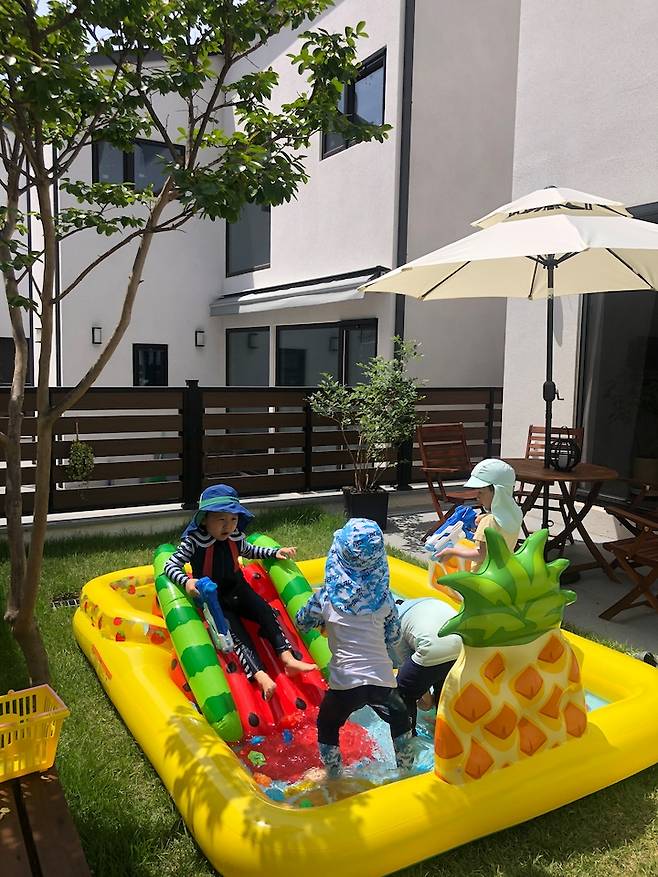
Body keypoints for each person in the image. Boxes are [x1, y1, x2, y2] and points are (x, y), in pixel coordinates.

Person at [164, 484, 316, 701]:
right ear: (205, 519)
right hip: (215, 598)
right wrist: (187, 581)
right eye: (221, 519)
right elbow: (170, 565)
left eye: (233, 519)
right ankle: (260, 675)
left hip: (239, 589)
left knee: (265, 611)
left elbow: (249, 550)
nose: (228, 525)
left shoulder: (235, 536)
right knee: (235, 633)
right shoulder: (194, 541)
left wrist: (274, 552)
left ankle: (288, 658)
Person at [296, 518, 414, 778]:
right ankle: (406, 772)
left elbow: (301, 622)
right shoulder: (385, 599)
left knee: (327, 725)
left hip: (345, 685)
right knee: (400, 718)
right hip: (382, 682)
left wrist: (321, 622)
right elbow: (394, 636)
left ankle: (335, 777)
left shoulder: (325, 597)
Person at [437, 458, 523, 570]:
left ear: (498, 492)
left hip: (482, 575)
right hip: (504, 570)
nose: (477, 497)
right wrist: (485, 517)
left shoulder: (488, 522)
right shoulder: (515, 513)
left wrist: (452, 551)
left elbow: (481, 555)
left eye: (481, 492)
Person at [394, 597, 462, 734]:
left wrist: (425, 699)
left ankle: (407, 737)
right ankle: (442, 728)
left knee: (403, 692)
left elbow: (406, 664)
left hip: (433, 648)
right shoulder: (427, 602)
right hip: (462, 646)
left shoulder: (395, 622)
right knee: (444, 690)